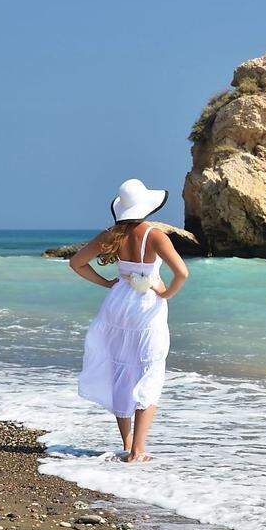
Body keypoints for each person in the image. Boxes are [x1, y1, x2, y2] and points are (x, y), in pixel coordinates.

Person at [70, 179, 189, 462]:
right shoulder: (156, 235)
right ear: (146, 206)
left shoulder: (111, 235)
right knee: (149, 371)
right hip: (146, 306)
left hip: (118, 305)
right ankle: (138, 451)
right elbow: (182, 273)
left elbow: (76, 263)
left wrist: (108, 283)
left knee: (121, 371)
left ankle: (127, 445)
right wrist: (166, 292)